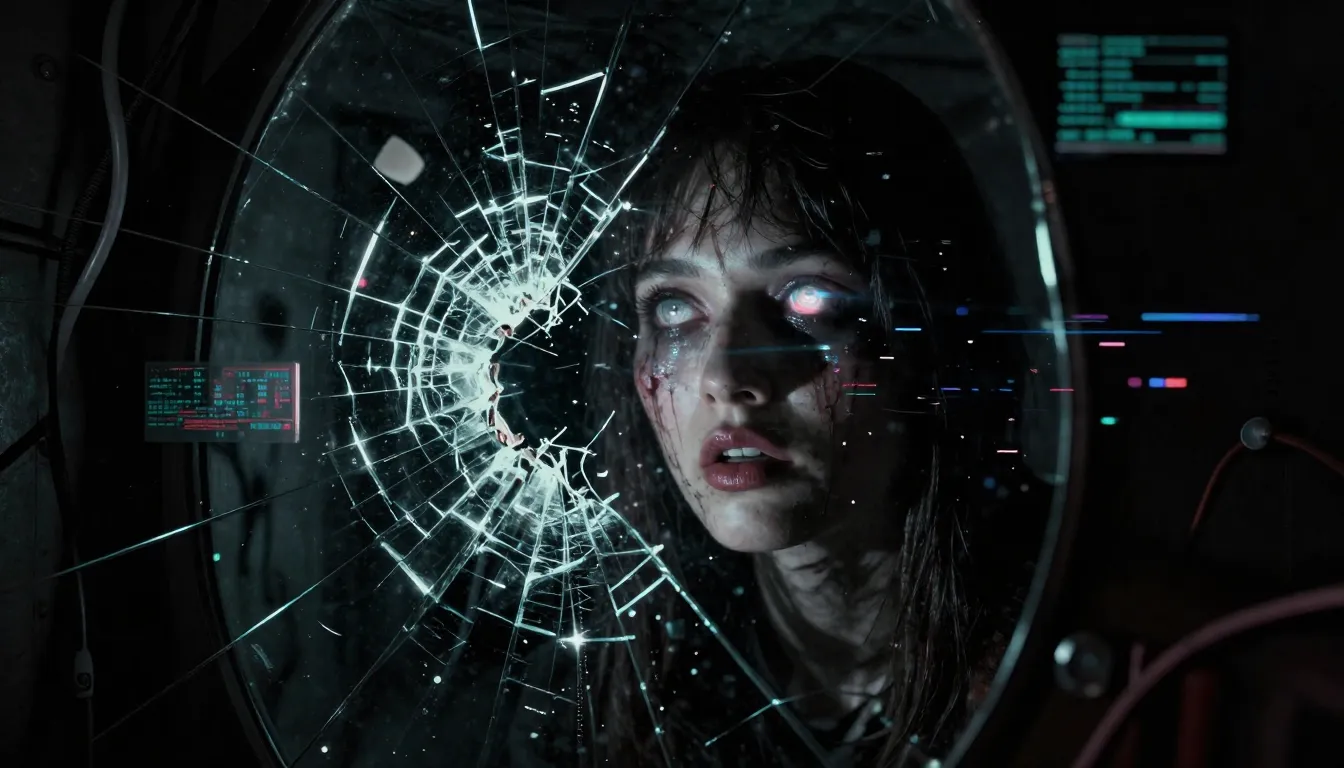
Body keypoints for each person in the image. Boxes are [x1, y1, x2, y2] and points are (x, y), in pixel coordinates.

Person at [505, 56, 1043, 767]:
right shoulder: (590, 706)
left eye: (809, 300)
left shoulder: (1076, 659)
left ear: (928, 334)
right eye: (674, 308)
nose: (727, 377)